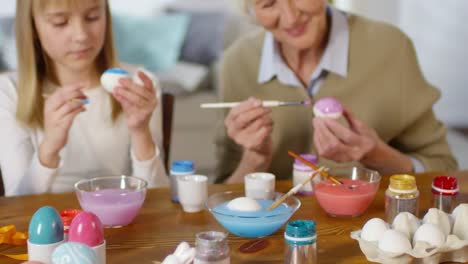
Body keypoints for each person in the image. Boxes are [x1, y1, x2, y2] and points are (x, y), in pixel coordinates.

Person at [215, 0, 458, 183]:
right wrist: (254, 159)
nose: (290, 18)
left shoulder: (391, 47)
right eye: (268, 3)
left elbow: (443, 169)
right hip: (275, 236)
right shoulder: (236, 63)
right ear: (250, 9)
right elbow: (224, 190)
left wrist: (375, 155)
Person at [0, 0, 168, 196]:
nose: (81, 35)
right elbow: (17, 203)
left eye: (92, 17)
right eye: (60, 22)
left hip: (121, 221)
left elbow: (158, 197)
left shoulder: (139, 84)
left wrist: (141, 133)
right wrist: (49, 149)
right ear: (33, 27)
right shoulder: (9, 92)